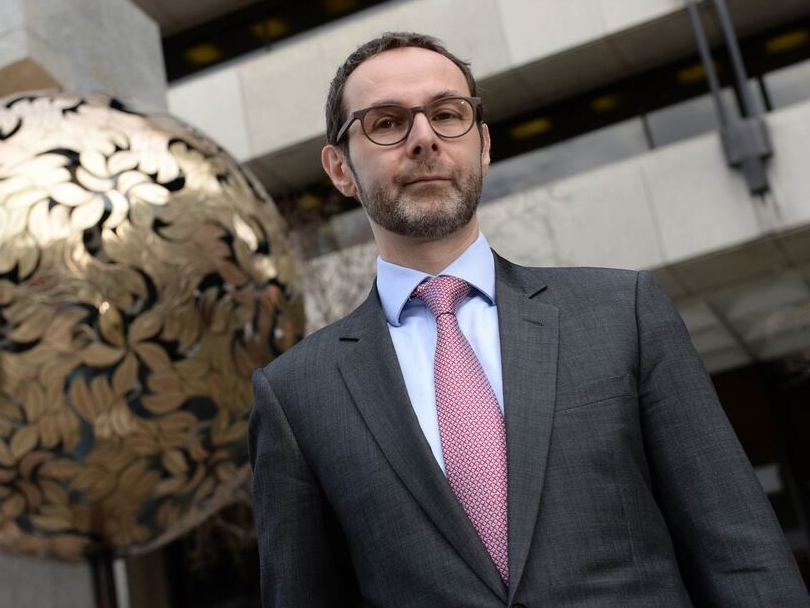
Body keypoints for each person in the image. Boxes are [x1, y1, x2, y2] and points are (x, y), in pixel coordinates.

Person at [247, 31, 809, 608]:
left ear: (483, 144)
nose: (424, 139)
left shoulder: (624, 313)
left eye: (447, 114)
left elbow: (743, 558)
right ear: (339, 168)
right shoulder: (295, 395)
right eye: (387, 123)